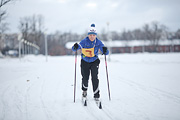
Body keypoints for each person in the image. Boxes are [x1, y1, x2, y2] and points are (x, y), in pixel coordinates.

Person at [72, 23, 109, 100]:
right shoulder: (84, 41)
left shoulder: (98, 42)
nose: (92, 36)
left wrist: (105, 50)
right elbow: (76, 47)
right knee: (85, 78)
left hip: (94, 61)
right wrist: (75, 47)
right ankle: (84, 91)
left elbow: (105, 51)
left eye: (93, 35)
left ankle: (96, 95)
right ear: (88, 35)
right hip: (85, 61)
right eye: (90, 35)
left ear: (96, 35)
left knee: (95, 78)